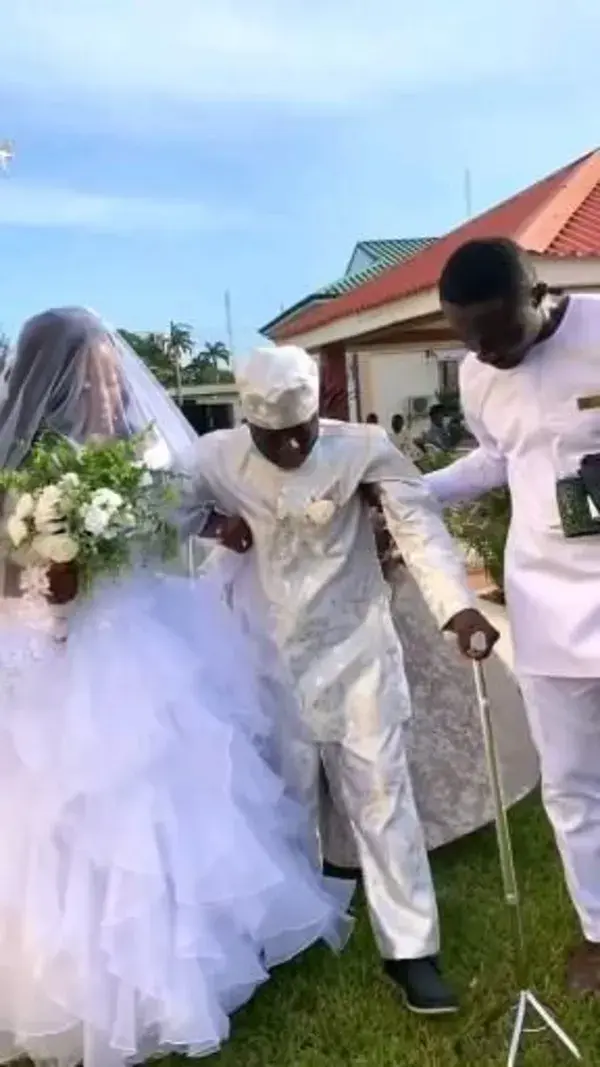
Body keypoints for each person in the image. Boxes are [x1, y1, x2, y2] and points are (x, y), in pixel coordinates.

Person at [0, 308, 352, 1067]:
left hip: (145, 630)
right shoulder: (21, 464)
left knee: (175, 794)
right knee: (73, 814)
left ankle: (188, 965)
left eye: (107, 368)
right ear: (49, 375)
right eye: (90, 371)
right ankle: (78, 990)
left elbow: (178, 515)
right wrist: (45, 588)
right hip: (59, 647)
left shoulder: (136, 450)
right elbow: (10, 566)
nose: (105, 383)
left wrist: (219, 528)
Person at [179, 343, 499, 1015]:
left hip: (358, 648)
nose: (294, 445)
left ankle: (411, 951)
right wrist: (217, 522)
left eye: (304, 431)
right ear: (249, 423)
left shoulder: (363, 446)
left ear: (319, 413)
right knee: (284, 798)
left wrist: (458, 606)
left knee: (383, 796)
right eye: (276, 436)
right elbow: (169, 508)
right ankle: (287, 931)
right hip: (269, 654)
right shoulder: (216, 456)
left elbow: (418, 526)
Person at [424, 236, 600, 994]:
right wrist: (413, 492)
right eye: (467, 337)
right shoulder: (477, 375)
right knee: (570, 783)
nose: (486, 352)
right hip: (544, 605)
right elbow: (498, 457)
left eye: (498, 333)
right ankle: (598, 929)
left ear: (540, 294)